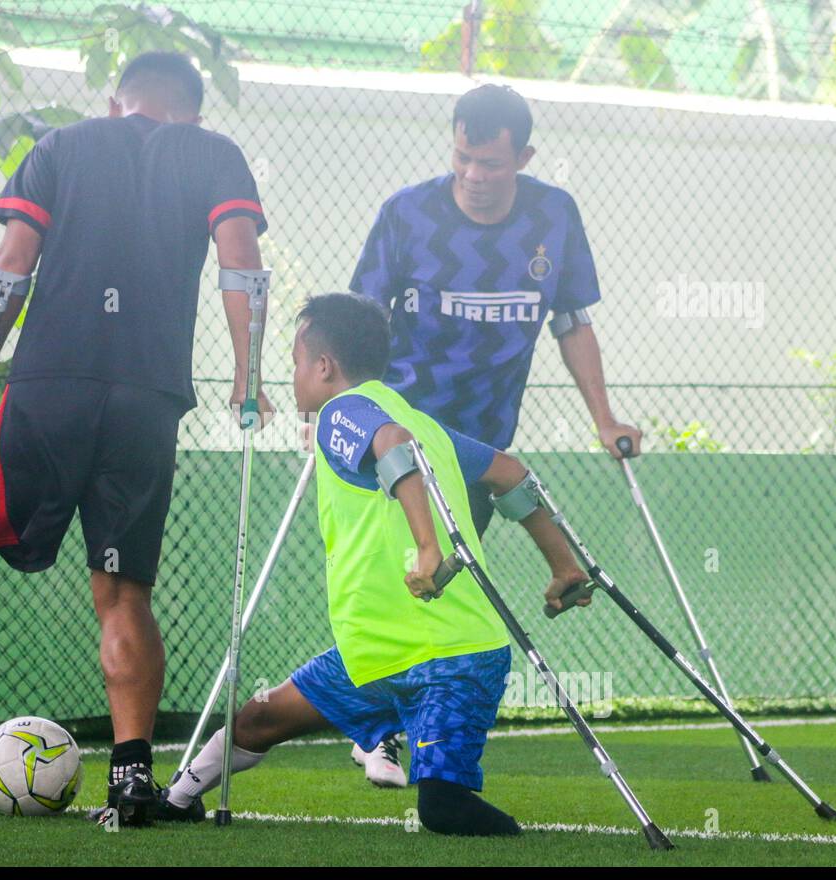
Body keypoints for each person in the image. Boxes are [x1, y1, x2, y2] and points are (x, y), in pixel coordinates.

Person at [0, 51, 271, 826]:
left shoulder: (62, 146)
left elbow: (10, 265)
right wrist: (248, 376)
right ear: (192, 109)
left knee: (19, 537)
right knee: (123, 592)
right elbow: (241, 265)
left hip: (49, 387)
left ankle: (24, 532)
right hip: (145, 397)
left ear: (114, 99)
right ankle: (131, 780)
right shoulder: (215, 153)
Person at [156, 293, 590, 834]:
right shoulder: (421, 422)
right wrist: (564, 567)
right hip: (376, 653)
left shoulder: (346, 412)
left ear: (323, 366)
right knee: (259, 717)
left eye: (294, 363)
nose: (293, 377)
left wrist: (429, 548)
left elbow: (391, 444)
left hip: (452, 657)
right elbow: (511, 474)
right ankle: (176, 797)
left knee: (443, 810)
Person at [346, 83, 642, 787]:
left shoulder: (553, 215)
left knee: (445, 588)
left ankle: (405, 732)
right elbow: (357, 323)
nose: (475, 177)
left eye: (491, 164)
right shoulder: (406, 214)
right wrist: (342, 413)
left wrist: (604, 418)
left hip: (481, 443)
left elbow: (572, 322)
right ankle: (377, 733)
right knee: (406, 584)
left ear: (525, 157)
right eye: (463, 159)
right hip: (403, 438)